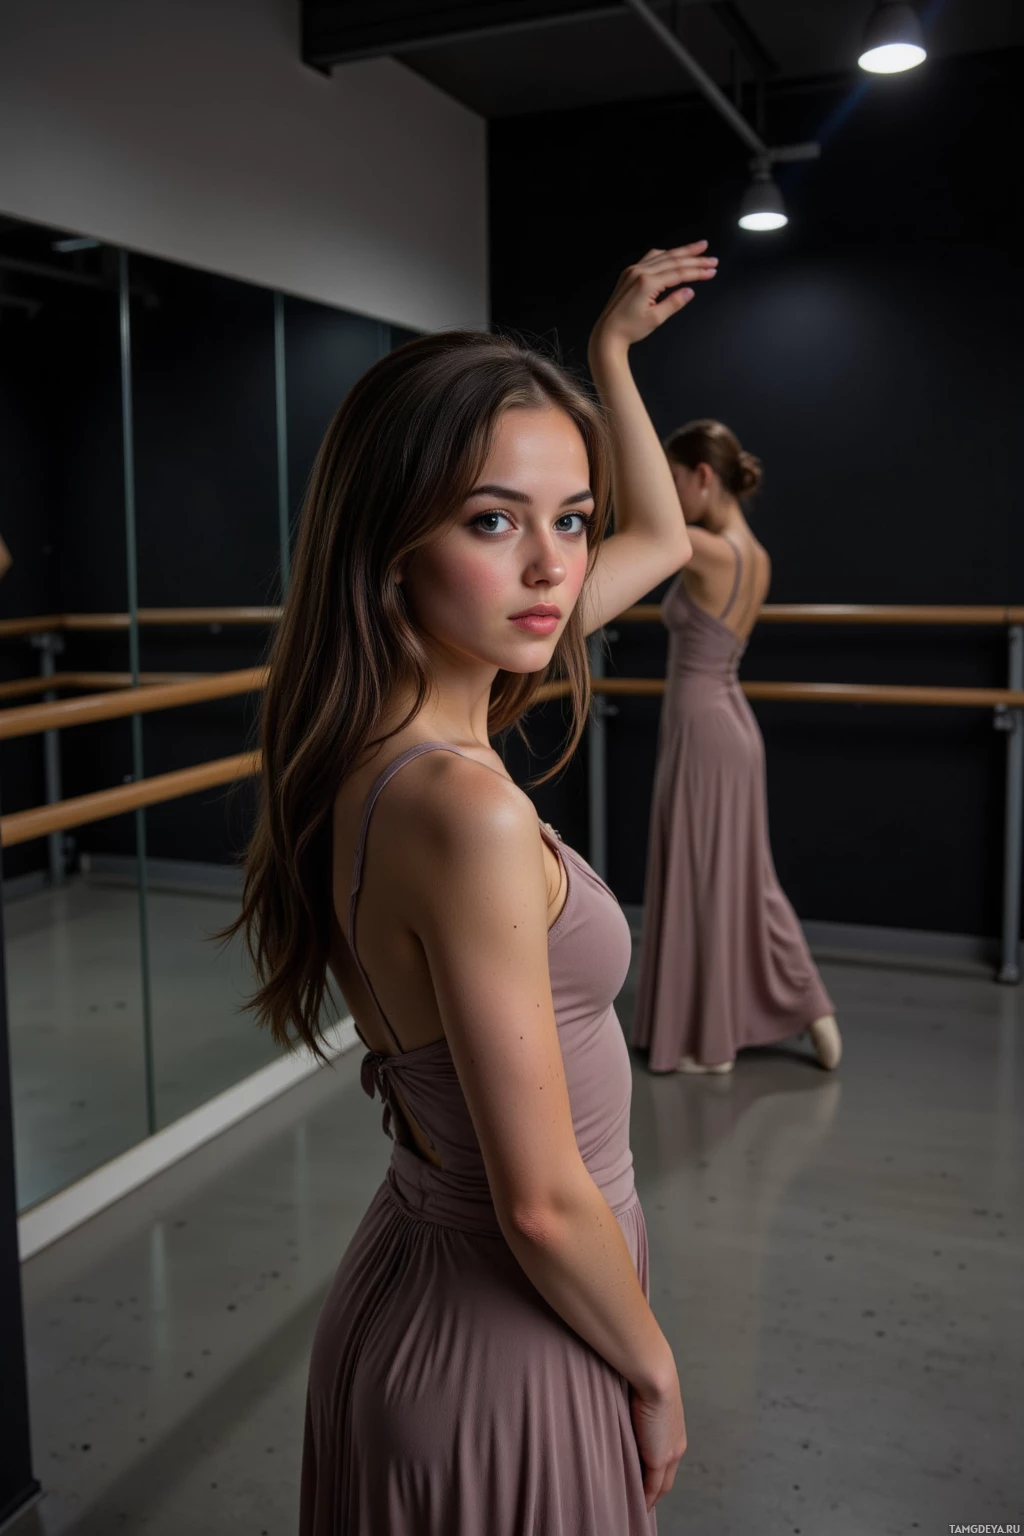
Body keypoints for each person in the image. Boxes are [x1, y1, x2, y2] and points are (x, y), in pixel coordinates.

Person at [233, 244, 719, 1534]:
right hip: (509, 1326)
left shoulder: (388, 733)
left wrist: (608, 354)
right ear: (391, 541)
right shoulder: (465, 806)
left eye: (568, 519)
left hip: (424, 1283)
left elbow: (661, 536)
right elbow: (543, 1200)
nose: (554, 569)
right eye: (492, 520)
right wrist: (655, 1366)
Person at [631, 419, 842, 1076]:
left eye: (674, 479)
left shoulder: (704, 549)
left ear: (701, 478)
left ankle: (714, 1037)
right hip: (729, 724)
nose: (669, 492)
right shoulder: (757, 557)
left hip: (702, 727)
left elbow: (646, 525)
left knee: (708, 875)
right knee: (738, 877)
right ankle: (810, 1013)